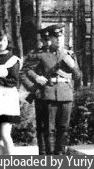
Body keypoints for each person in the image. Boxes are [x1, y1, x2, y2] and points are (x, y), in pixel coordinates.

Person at [21, 24, 81, 155]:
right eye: (55, 37)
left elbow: (78, 77)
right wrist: (36, 80)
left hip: (66, 95)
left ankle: (60, 155)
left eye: (60, 37)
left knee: (64, 128)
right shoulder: (41, 54)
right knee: (49, 129)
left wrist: (73, 66)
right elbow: (26, 71)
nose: (58, 40)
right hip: (48, 95)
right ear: (51, 39)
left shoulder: (69, 54)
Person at [20, 29, 54, 155]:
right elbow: (23, 73)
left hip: (56, 95)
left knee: (53, 128)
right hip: (41, 94)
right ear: (41, 40)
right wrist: (32, 88)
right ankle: (43, 155)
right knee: (42, 127)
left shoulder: (59, 53)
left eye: (49, 39)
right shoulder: (35, 54)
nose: (48, 42)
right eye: (45, 39)